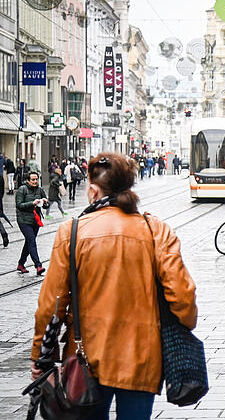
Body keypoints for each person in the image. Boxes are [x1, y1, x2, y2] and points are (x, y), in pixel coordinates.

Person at [30, 152, 198, 419]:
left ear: (94, 190)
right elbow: (183, 295)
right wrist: (185, 324)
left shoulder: (72, 232)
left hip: (86, 358)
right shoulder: (155, 230)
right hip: (142, 356)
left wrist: (41, 356)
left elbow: (51, 304)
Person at [15, 171, 48, 275]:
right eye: (33, 180)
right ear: (27, 180)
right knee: (32, 241)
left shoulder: (40, 190)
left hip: (35, 220)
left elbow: (45, 206)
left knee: (29, 242)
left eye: (36, 179)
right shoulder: (22, 189)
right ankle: (38, 265)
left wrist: (46, 203)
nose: (35, 181)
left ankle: (21, 264)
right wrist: (32, 203)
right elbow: (19, 205)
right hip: (23, 220)